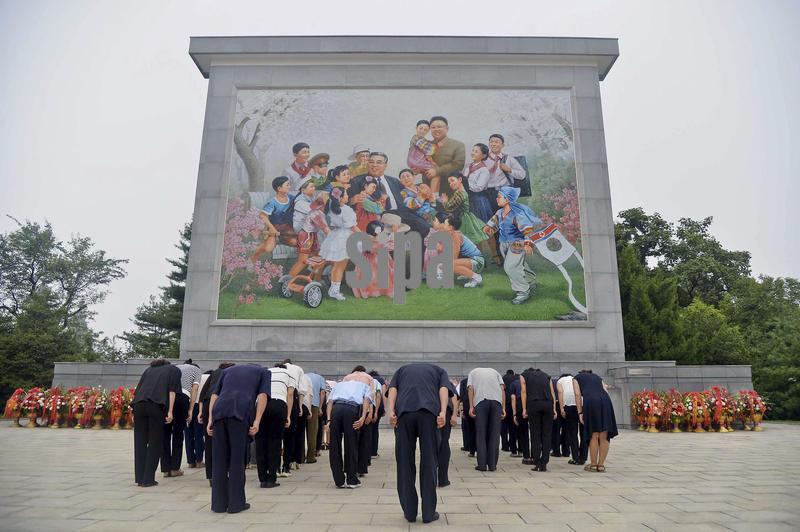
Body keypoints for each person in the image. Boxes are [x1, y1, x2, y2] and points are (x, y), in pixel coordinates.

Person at [387, 363, 450, 523]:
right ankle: (428, 513)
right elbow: (443, 390)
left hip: (404, 414)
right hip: (429, 414)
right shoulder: (439, 370)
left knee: (404, 463)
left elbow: (393, 389)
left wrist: (392, 411)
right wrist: (442, 412)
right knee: (429, 461)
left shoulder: (401, 370)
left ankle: (409, 512)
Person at [206, 364, 271, 513]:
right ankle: (236, 504)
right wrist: (257, 421)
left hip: (219, 411)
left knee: (219, 459)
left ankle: (218, 504)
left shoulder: (226, 371)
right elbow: (262, 396)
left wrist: (210, 418)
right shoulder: (264, 372)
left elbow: (215, 395)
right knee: (237, 459)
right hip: (240, 411)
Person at [349, 151, 431, 238]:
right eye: (371, 162)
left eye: (379, 162)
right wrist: (352, 200)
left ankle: (414, 250)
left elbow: (408, 188)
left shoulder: (393, 180)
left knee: (424, 227)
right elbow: (346, 201)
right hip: (379, 215)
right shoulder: (357, 181)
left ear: (385, 165)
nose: (374, 165)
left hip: (402, 212)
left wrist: (421, 186)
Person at [483, 186, 541, 305]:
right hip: (503, 244)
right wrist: (487, 229)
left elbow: (527, 230)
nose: (497, 199)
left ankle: (523, 291)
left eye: (499, 197)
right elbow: (492, 226)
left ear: (507, 199)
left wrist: (528, 244)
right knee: (520, 264)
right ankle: (530, 281)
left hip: (517, 243)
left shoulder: (517, 214)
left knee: (510, 267)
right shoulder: (499, 213)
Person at [132, 359, 180, 487]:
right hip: (156, 406)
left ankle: (140, 478)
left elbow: (137, 390)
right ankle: (148, 479)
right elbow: (172, 391)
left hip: (139, 405)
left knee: (140, 442)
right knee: (155, 442)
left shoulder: (148, 370)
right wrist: (170, 411)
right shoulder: (173, 370)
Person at [256, 363, 295, 489]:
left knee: (261, 441)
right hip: (279, 404)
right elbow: (289, 394)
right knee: (275, 442)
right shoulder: (289, 374)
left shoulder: (265, 371)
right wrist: (288, 415)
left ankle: (262, 479)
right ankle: (271, 478)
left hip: (262, 403)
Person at [326, 379, 371, 488]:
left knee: (334, 445)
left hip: (336, 409)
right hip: (351, 409)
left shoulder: (339, 385)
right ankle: (352, 480)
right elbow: (366, 400)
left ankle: (339, 480)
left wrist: (328, 420)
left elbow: (330, 402)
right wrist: (363, 417)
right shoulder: (365, 385)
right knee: (351, 444)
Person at [162, 360, 202, 478]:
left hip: (168, 397)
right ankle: (175, 468)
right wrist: (190, 409)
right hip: (182, 398)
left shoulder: (175, 367)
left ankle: (165, 469)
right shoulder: (196, 370)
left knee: (165, 434)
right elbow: (194, 389)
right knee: (178, 434)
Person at [573, 370, 618, 473]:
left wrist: (580, 412)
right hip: (605, 400)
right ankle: (601, 465)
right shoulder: (597, 377)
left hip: (591, 401)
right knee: (604, 434)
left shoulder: (576, 378)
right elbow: (605, 390)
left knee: (594, 434)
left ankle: (593, 465)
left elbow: (577, 394)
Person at [198, 362, 235, 486]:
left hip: (208, 404)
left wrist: (200, 413)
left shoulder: (214, 373)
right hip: (223, 403)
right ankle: (224, 472)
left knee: (209, 442)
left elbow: (203, 395)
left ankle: (211, 476)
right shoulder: (232, 373)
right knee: (226, 441)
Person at [319, 186, 358, 301]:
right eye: (345, 194)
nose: (348, 196)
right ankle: (334, 290)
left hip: (335, 235)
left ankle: (334, 288)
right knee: (340, 266)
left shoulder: (332, 208)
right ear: (340, 198)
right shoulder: (346, 210)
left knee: (337, 266)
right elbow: (353, 227)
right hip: (344, 237)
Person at [289, 180, 330, 277]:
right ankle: (288, 281)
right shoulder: (300, 201)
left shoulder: (310, 199)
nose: (314, 189)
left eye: (314, 186)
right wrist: (321, 199)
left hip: (312, 232)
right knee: (303, 260)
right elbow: (312, 210)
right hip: (304, 232)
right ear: (303, 189)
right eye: (311, 187)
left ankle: (314, 279)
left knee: (318, 256)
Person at [467, 367, 505, 472]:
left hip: (481, 401)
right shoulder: (495, 371)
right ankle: (492, 465)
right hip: (497, 402)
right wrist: (503, 408)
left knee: (481, 434)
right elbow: (502, 389)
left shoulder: (473, 372)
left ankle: (482, 465)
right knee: (495, 434)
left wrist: (471, 406)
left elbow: (470, 388)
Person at [439, 173, 488, 251]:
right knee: (473, 241)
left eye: (452, 180)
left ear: (460, 180)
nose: (451, 184)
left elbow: (449, 207)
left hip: (464, 219)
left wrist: (444, 201)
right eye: (449, 183)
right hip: (465, 217)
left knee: (469, 240)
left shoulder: (460, 193)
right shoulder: (460, 192)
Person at [253, 176, 297, 262]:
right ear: (279, 188)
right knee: (268, 248)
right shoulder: (272, 202)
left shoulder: (292, 198)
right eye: (287, 185)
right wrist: (272, 228)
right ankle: (256, 254)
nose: (289, 187)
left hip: (288, 229)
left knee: (296, 242)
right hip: (274, 228)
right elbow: (263, 215)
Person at [342, 365, 376, 477]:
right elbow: (370, 396)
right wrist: (370, 413)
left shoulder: (347, 377)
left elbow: (343, 394)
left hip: (349, 408)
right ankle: (361, 468)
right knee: (363, 440)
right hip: (363, 408)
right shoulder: (369, 378)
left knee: (350, 439)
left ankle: (349, 467)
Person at [521, 367, 556, 472]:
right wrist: (554, 409)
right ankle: (544, 462)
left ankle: (537, 462)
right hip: (547, 404)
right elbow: (552, 393)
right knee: (547, 434)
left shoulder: (524, 375)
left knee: (535, 433)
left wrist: (524, 409)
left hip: (534, 404)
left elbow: (523, 392)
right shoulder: (546, 375)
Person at [425, 116, 465, 197]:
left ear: (447, 128)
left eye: (439, 127)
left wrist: (437, 171)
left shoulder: (458, 145)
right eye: (433, 127)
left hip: (450, 190)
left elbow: (459, 164)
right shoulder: (426, 145)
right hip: (428, 189)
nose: (436, 129)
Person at [280, 359, 306, 477]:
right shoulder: (298, 369)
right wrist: (300, 407)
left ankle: (275, 466)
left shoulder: (278, 368)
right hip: (292, 397)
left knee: (276, 435)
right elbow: (302, 390)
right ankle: (287, 464)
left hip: (278, 396)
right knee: (290, 435)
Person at [463, 143, 494, 223]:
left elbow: (478, 188)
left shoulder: (484, 170)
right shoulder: (467, 167)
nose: (473, 153)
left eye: (476, 151)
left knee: (480, 223)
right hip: (467, 199)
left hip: (478, 201)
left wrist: (464, 183)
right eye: (473, 150)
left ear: (483, 156)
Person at [437, 381, 459, 488]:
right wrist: (454, 414)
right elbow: (454, 396)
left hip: (429, 411)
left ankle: (430, 477)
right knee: (444, 442)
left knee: (430, 443)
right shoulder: (444, 380)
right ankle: (443, 479)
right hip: (445, 412)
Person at [186, 369, 209, 469]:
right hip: (198, 406)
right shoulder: (209, 378)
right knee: (199, 434)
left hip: (187, 404)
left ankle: (191, 461)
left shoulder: (192, 376)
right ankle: (199, 460)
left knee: (188, 434)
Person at [557, 373, 581, 465]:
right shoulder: (575, 378)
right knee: (581, 433)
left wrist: (562, 408)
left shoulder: (560, 381)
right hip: (580, 405)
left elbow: (560, 393)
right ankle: (582, 456)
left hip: (569, 406)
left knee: (572, 433)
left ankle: (575, 457)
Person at [305, 372, 327, 464]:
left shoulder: (304, 376)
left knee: (300, 431)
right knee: (312, 432)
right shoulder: (320, 378)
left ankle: (299, 457)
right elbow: (322, 393)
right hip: (314, 405)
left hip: (303, 404)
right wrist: (320, 407)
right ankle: (310, 457)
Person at [509, 375, 531, 464]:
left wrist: (514, 414)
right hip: (531, 403)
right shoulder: (529, 382)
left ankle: (523, 453)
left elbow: (513, 398)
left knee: (522, 432)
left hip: (519, 405)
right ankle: (534, 454)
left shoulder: (513, 384)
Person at [368, 370, 387, 458]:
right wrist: (384, 408)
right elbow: (382, 395)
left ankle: (365, 451)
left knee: (366, 429)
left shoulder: (367, 379)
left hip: (366, 405)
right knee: (375, 429)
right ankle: (373, 452)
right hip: (377, 405)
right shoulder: (380, 380)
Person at [459, 377, 476, 457]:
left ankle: (469, 448)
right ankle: (480, 448)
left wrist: (461, 409)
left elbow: (461, 396)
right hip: (479, 405)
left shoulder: (463, 382)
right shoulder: (478, 380)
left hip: (467, 406)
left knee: (469, 429)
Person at [500, 369, 516, 452]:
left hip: (504, 404)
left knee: (503, 427)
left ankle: (505, 446)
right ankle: (512, 445)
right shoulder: (515, 378)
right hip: (513, 405)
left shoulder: (502, 378)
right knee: (512, 427)